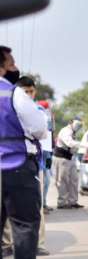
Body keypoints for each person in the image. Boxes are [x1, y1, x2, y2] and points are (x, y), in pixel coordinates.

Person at [0, 46, 48, 259]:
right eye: (11, 64)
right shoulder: (14, 93)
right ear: (1, 68)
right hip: (16, 167)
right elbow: (39, 128)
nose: (15, 68)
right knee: (24, 226)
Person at [15, 76, 51, 256]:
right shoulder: (12, 106)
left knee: (36, 207)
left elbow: (44, 138)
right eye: (25, 92)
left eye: (31, 91)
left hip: (36, 162)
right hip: (13, 161)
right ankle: (8, 244)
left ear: (35, 91)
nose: (29, 94)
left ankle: (38, 243)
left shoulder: (39, 111)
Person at [53, 118, 84, 209]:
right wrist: (82, 144)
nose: (78, 127)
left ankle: (72, 201)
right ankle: (62, 202)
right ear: (70, 123)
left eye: (80, 125)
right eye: (77, 124)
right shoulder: (66, 131)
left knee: (74, 179)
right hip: (62, 158)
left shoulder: (73, 132)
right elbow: (69, 143)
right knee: (63, 181)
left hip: (70, 158)